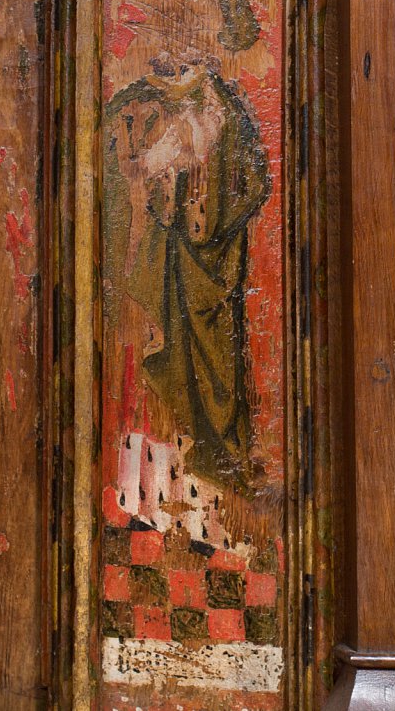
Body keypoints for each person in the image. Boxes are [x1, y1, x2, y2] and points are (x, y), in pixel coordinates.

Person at [107, 58, 271, 494]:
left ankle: (221, 458)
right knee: (168, 353)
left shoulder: (223, 110)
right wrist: (161, 181)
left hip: (211, 261)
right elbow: (132, 178)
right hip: (166, 258)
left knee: (217, 355)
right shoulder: (144, 105)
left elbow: (250, 182)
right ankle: (165, 474)